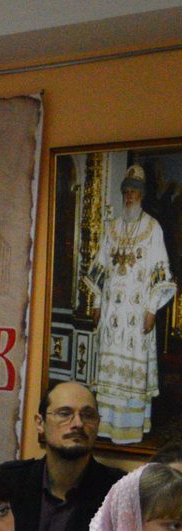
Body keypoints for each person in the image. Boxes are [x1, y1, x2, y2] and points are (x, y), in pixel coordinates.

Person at [88, 165, 176, 444]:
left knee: (132, 372)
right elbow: (101, 267)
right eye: (126, 191)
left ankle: (130, 428)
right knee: (110, 368)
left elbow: (160, 273)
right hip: (112, 315)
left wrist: (151, 309)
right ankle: (106, 427)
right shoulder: (112, 227)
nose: (129, 195)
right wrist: (97, 303)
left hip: (137, 316)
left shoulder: (152, 228)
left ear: (142, 195)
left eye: (134, 191)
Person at [0, 381, 123, 531]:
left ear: (98, 425)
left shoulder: (117, 491)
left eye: (88, 415)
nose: (78, 424)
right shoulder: (9, 480)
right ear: (40, 423)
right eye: (65, 414)